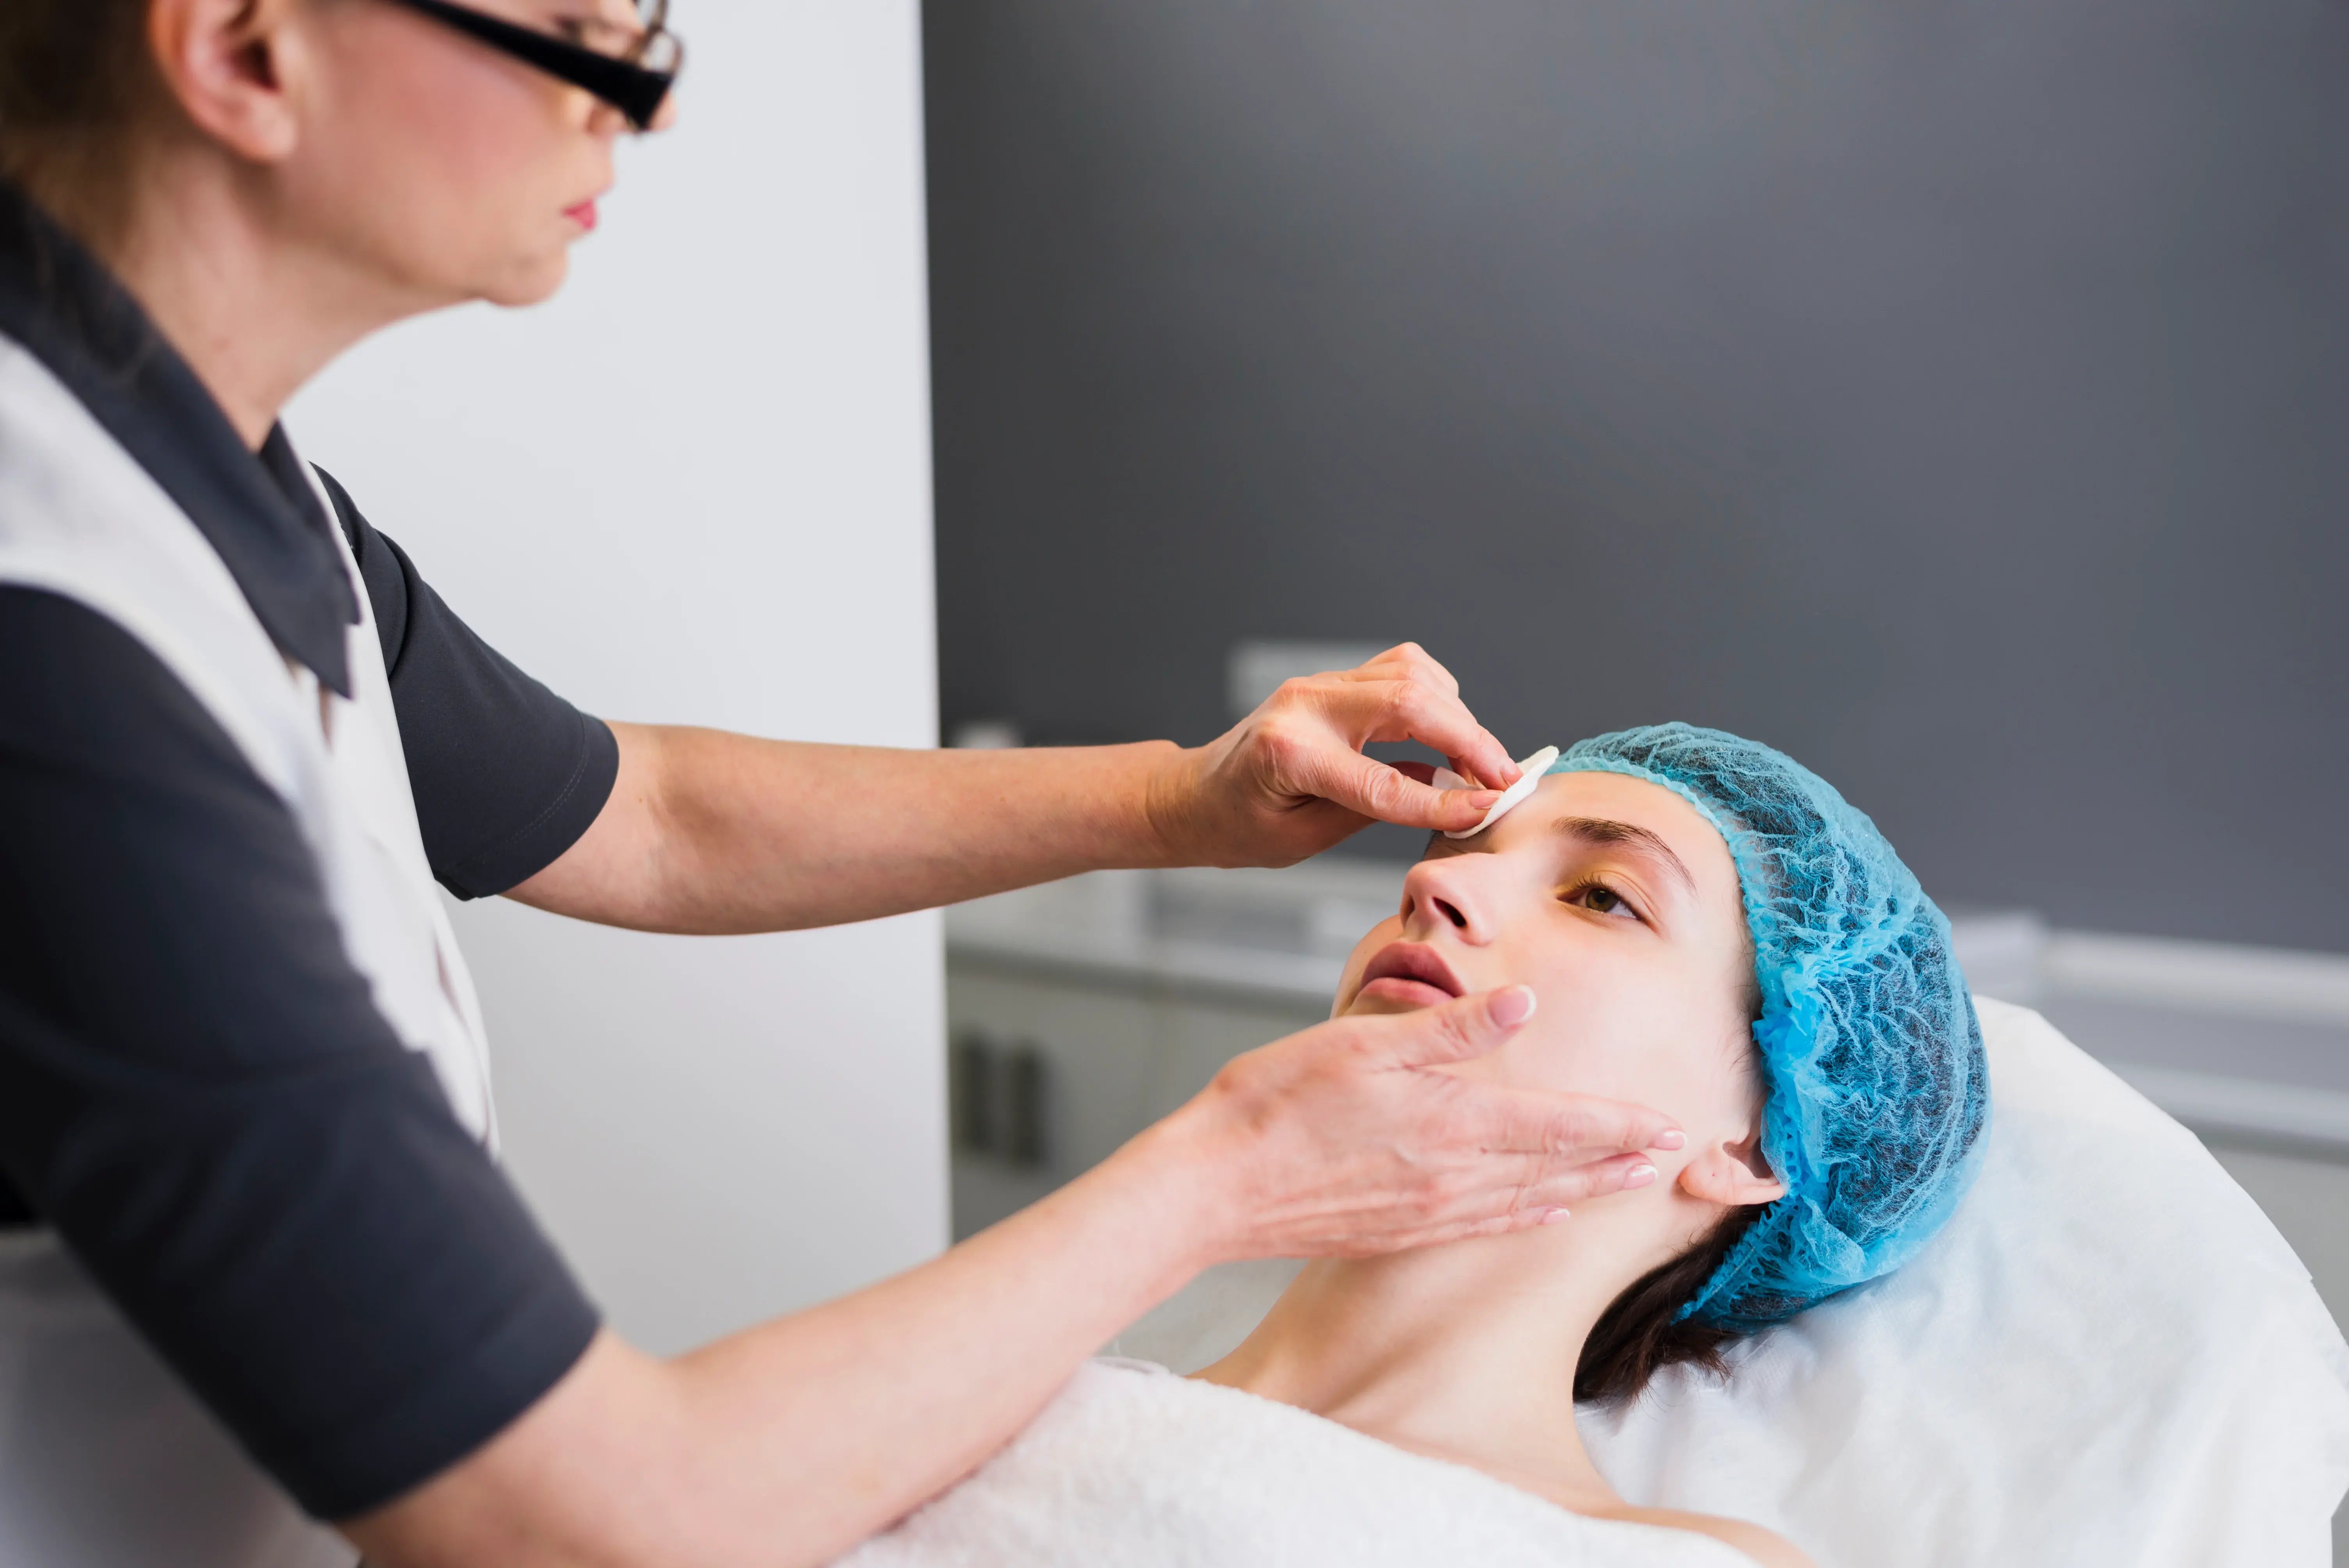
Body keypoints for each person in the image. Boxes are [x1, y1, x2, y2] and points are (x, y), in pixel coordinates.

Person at [0, 4, 1685, 1566]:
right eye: (586, 32)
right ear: (243, 51)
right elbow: (580, 1516)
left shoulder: (228, 490)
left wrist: (1188, 798)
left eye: (1605, 891)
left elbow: (643, 813)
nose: (637, 112)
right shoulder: (57, 671)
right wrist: (1231, 1161)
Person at [839, 724, 1990, 1568]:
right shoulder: (968, 1405)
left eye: (1600, 896)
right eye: (1473, 845)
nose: (1436, 877)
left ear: (1752, 1142)